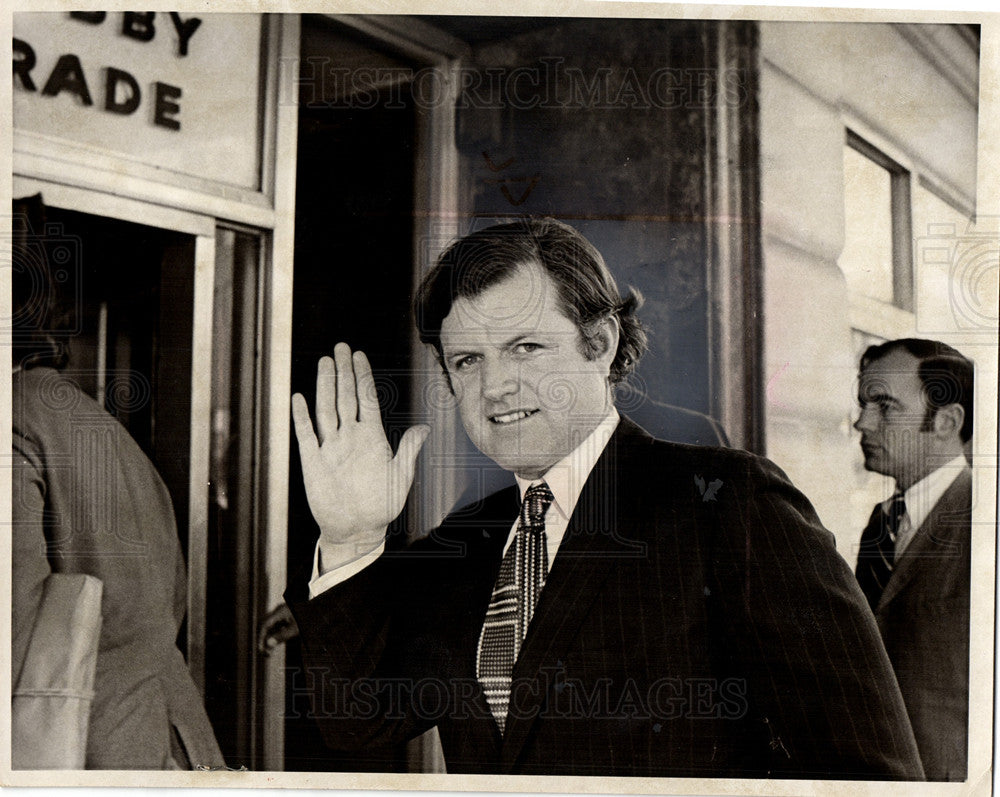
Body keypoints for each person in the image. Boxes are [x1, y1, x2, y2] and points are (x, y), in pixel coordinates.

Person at [286, 218, 923, 778]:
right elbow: (359, 723)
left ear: (602, 344)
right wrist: (351, 539)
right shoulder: (471, 536)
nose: (496, 387)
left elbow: (867, 773)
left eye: (526, 347)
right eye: (467, 362)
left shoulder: (731, 505)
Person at [10, 195, 224, 770]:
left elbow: (11, 639)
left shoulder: (12, 423)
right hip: (174, 739)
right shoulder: (98, 425)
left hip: (75, 750)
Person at [853, 338, 973, 781]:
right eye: (864, 404)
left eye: (884, 406)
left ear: (946, 420)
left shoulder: (987, 521)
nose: (861, 422)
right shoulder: (880, 523)